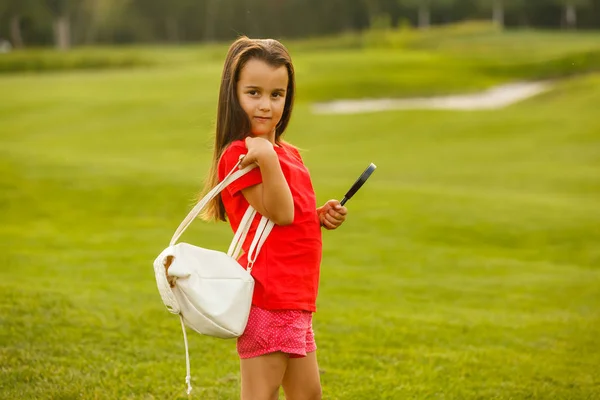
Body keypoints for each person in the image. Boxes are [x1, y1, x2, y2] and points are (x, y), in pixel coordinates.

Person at [200, 36, 348, 400]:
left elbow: (289, 216)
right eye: (253, 93)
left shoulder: (288, 153)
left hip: (296, 296)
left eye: (276, 95)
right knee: (260, 393)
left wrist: (317, 217)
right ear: (232, 95)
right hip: (268, 296)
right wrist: (264, 156)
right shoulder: (240, 154)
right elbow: (280, 213)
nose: (265, 105)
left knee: (308, 393)